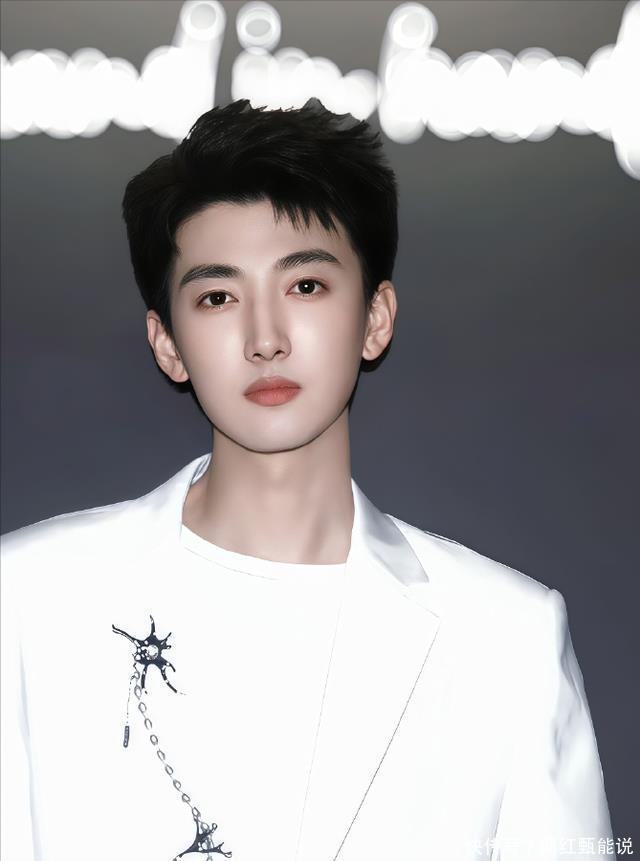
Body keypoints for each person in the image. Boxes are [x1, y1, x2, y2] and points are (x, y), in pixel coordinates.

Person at [1, 98, 613, 861]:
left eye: (306, 286)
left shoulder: (505, 637)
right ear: (168, 343)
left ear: (375, 318)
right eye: (218, 297)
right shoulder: (27, 599)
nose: (265, 338)